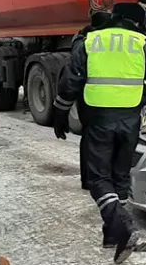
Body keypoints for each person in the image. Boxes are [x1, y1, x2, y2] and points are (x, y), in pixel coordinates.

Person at [51, 2, 146, 264]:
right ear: (139, 22)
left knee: (98, 178)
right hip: (130, 120)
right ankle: (113, 235)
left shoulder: (91, 41)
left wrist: (60, 113)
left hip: (98, 118)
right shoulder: (140, 43)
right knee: (119, 177)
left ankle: (124, 229)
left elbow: (69, 82)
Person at [57, 11, 112, 191]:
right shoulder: (107, 41)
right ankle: (107, 181)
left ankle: (89, 180)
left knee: (91, 140)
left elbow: (70, 82)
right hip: (111, 101)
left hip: (89, 102)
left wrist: (61, 114)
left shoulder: (82, 42)